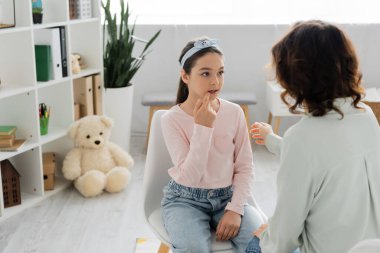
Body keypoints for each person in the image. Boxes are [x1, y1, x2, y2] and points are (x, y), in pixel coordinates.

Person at [246, 20, 380, 253]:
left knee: (252, 243)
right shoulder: (365, 116)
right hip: (370, 246)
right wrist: (273, 141)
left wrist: (269, 235)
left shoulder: (302, 138)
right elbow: (328, 156)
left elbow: (284, 238)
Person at [160, 37, 265, 253]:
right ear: (185, 76)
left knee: (263, 244)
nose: (215, 81)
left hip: (228, 196)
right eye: (205, 73)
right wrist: (203, 127)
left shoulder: (234, 112)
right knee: (192, 248)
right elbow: (190, 177)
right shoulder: (171, 119)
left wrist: (235, 209)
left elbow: (245, 167)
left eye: (220, 72)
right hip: (184, 200)